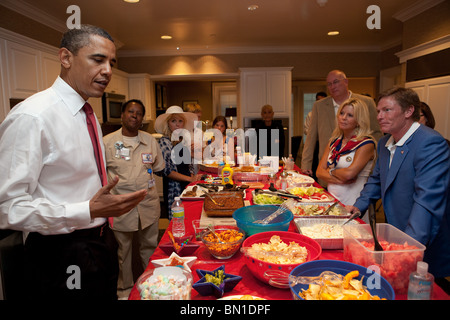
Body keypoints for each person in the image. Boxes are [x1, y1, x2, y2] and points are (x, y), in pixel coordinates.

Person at [0, 25, 147, 299]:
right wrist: (85, 210)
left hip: (99, 240)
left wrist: (99, 211)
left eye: (111, 63)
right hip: (59, 249)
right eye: (98, 59)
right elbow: (7, 208)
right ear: (66, 58)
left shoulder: (86, 113)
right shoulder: (33, 117)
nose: (108, 71)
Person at [347, 87, 450, 279]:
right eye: (378, 111)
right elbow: (376, 179)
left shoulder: (430, 143)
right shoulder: (384, 143)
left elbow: (426, 202)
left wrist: (407, 249)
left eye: (387, 110)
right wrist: (359, 206)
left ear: (409, 111)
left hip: (423, 238)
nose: (379, 116)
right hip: (395, 232)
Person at [103, 99, 165, 299]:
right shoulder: (107, 142)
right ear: (122, 115)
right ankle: (124, 291)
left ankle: (152, 286)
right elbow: (100, 173)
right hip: (119, 205)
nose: (134, 116)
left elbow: (157, 167)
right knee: (124, 252)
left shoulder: (150, 141)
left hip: (147, 204)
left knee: (149, 248)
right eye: (131, 112)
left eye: (138, 113)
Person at [301, 70, 382, 186]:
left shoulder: (366, 102)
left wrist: (375, 165)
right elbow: (311, 136)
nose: (332, 86)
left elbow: (377, 134)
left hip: (358, 169)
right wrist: (306, 164)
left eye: (336, 82)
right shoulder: (319, 106)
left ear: (346, 82)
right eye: (329, 84)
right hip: (326, 166)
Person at [316, 98, 376, 223]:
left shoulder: (366, 144)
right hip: (332, 201)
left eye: (350, 115)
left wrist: (331, 171)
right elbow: (319, 172)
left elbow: (349, 174)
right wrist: (339, 176)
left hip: (353, 204)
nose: (343, 118)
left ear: (359, 120)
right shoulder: (333, 142)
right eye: (342, 113)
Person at [154, 105, 202, 219]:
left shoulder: (182, 141)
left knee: (190, 217)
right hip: (174, 188)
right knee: (177, 219)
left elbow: (188, 165)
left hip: (186, 185)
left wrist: (192, 179)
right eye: (173, 121)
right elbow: (167, 171)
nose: (177, 124)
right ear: (168, 124)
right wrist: (190, 179)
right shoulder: (164, 142)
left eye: (180, 121)